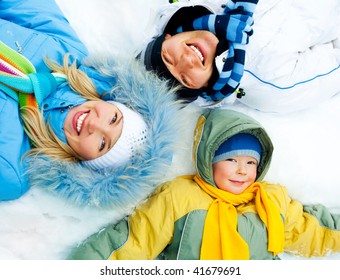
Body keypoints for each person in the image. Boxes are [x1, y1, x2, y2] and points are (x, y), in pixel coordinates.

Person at [67, 109, 340, 260]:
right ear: (210, 158)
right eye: (231, 159)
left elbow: (311, 229)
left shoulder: (270, 201)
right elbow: (134, 241)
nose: (242, 171)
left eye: (251, 163)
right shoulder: (180, 196)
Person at [0, 0, 181, 211]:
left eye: (102, 144)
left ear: (86, 164)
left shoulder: (12, 169)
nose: (94, 124)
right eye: (113, 118)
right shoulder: (68, 52)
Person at [138, 0, 340, 112]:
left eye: (168, 59)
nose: (188, 60)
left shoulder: (191, 4)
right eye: (184, 79)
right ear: (203, 87)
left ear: (167, 37)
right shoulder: (269, 85)